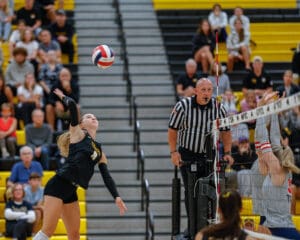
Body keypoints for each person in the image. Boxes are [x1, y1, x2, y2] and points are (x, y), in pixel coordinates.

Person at [33, 88, 127, 240]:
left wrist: (116, 196)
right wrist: (63, 97)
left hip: (71, 189)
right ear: (81, 124)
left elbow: (106, 175)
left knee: (75, 235)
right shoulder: (78, 134)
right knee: (48, 231)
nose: (93, 117)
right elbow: (73, 106)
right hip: (58, 184)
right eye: (89, 116)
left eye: (94, 116)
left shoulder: (100, 151)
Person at [168, 78, 233, 239]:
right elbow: (172, 130)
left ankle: (207, 229)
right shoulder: (183, 106)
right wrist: (173, 152)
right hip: (187, 154)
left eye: (209, 90)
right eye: (203, 90)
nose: (206, 93)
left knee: (208, 192)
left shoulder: (219, 108)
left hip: (208, 156)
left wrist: (228, 152)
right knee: (191, 192)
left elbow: (226, 131)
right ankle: (193, 229)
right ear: (196, 91)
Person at [255, 93, 300, 239]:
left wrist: (260, 110)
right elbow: (274, 140)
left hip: (281, 230)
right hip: (272, 225)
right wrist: (274, 110)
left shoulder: (277, 169)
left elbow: (263, 140)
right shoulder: (277, 168)